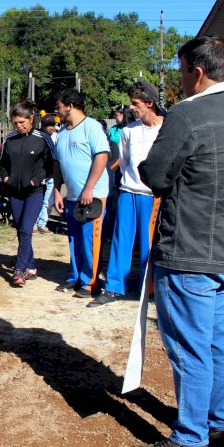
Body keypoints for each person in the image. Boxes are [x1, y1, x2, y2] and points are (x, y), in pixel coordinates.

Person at [132, 36, 224, 447]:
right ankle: (217, 422)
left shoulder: (190, 115)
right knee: (220, 340)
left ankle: (191, 440)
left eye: (182, 70)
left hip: (190, 250)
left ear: (198, 72)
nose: (180, 80)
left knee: (190, 347)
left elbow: (155, 173)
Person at [89, 81, 164, 307]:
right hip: (128, 193)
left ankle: (148, 288)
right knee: (121, 241)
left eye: (135, 103)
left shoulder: (166, 129)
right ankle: (114, 287)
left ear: (150, 103)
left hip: (153, 196)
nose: (131, 108)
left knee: (149, 244)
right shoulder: (128, 131)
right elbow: (125, 163)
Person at [52, 88, 110, 298]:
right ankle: (75, 277)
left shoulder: (91, 127)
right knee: (74, 238)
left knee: (90, 240)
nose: (57, 110)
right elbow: (57, 164)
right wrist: (57, 192)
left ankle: (92, 281)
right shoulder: (63, 132)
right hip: (72, 196)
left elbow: (102, 156)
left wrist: (89, 187)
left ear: (70, 105)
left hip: (92, 196)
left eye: (59, 106)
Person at [0, 100, 54, 286]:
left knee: (26, 228)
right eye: (15, 123)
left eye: (22, 122)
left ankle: (19, 269)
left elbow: (50, 165)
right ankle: (31, 266)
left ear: (31, 119)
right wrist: (6, 177)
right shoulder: (9, 138)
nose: (19, 126)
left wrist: (36, 180)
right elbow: (3, 163)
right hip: (14, 191)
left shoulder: (43, 138)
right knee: (20, 229)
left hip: (35, 192)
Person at [35, 114, 59, 233]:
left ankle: (41, 224)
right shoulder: (37, 137)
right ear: (42, 126)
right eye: (48, 125)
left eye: (52, 125)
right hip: (39, 174)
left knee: (48, 201)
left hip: (50, 174)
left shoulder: (55, 136)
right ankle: (34, 224)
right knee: (36, 200)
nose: (51, 127)